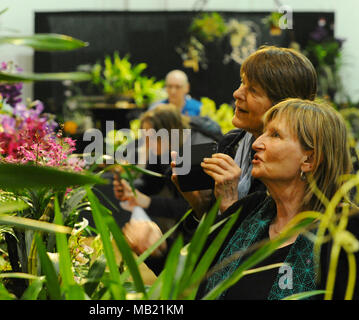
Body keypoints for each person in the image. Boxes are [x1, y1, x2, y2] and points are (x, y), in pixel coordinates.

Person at [123, 45, 319, 260]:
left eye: (253, 90)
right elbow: (205, 254)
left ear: (285, 105)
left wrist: (229, 204)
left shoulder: (289, 169)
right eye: (242, 82)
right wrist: (198, 205)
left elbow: (259, 263)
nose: (237, 93)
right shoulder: (230, 144)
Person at [197, 99, 359, 300]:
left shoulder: (345, 233)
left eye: (275, 135)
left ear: (309, 160)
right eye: (264, 132)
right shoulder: (249, 209)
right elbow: (193, 275)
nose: (257, 144)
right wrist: (158, 250)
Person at [113, 104, 221, 257]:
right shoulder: (163, 147)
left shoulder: (197, 151)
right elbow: (151, 181)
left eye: (150, 139)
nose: (147, 145)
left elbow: (196, 208)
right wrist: (130, 189)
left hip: (206, 235)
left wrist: (148, 202)